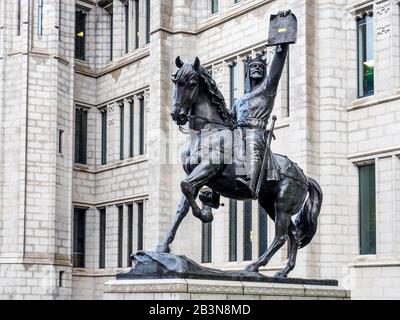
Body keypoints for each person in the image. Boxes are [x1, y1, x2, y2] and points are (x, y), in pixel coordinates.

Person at [230, 10, 291, 198]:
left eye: (260, 67)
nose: (257, 68)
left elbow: (277, 67)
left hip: (255, 133)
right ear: (247, 73)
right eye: (253, 67)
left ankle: (251, 182)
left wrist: (282, 38)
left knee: (251, 141)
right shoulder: (239, 101)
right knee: (214, 144)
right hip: (237, 132)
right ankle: (212, 193)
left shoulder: (267, 90)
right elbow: (228, 118)